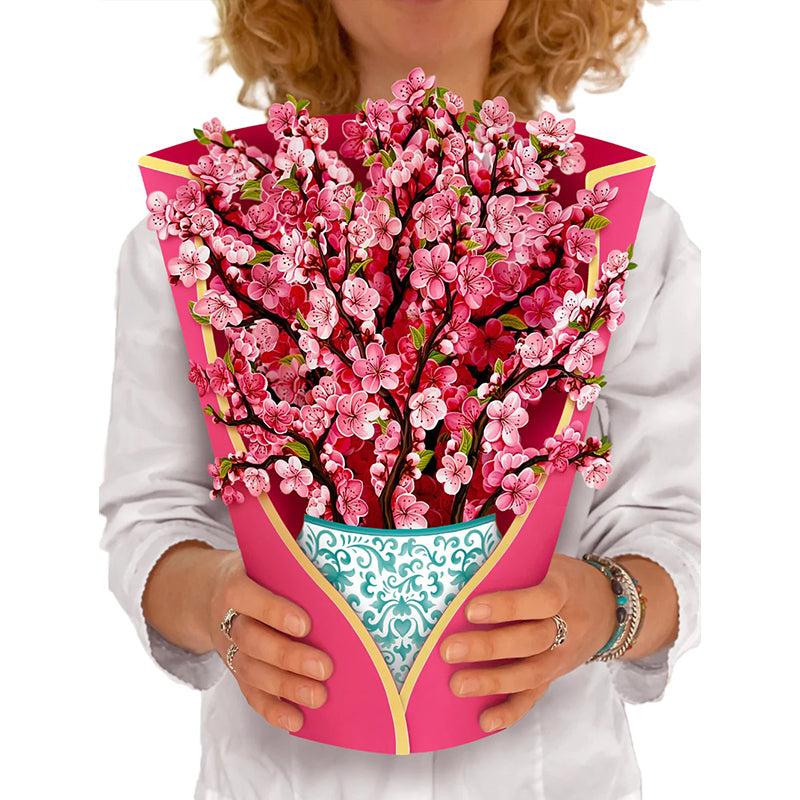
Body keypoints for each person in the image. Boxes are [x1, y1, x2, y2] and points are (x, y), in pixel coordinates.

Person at [98, 0, 700, 797]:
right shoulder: (201, 234)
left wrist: (609, 607)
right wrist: (211, 598)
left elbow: (680, 527)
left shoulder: (631, 238)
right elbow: (152, 513)